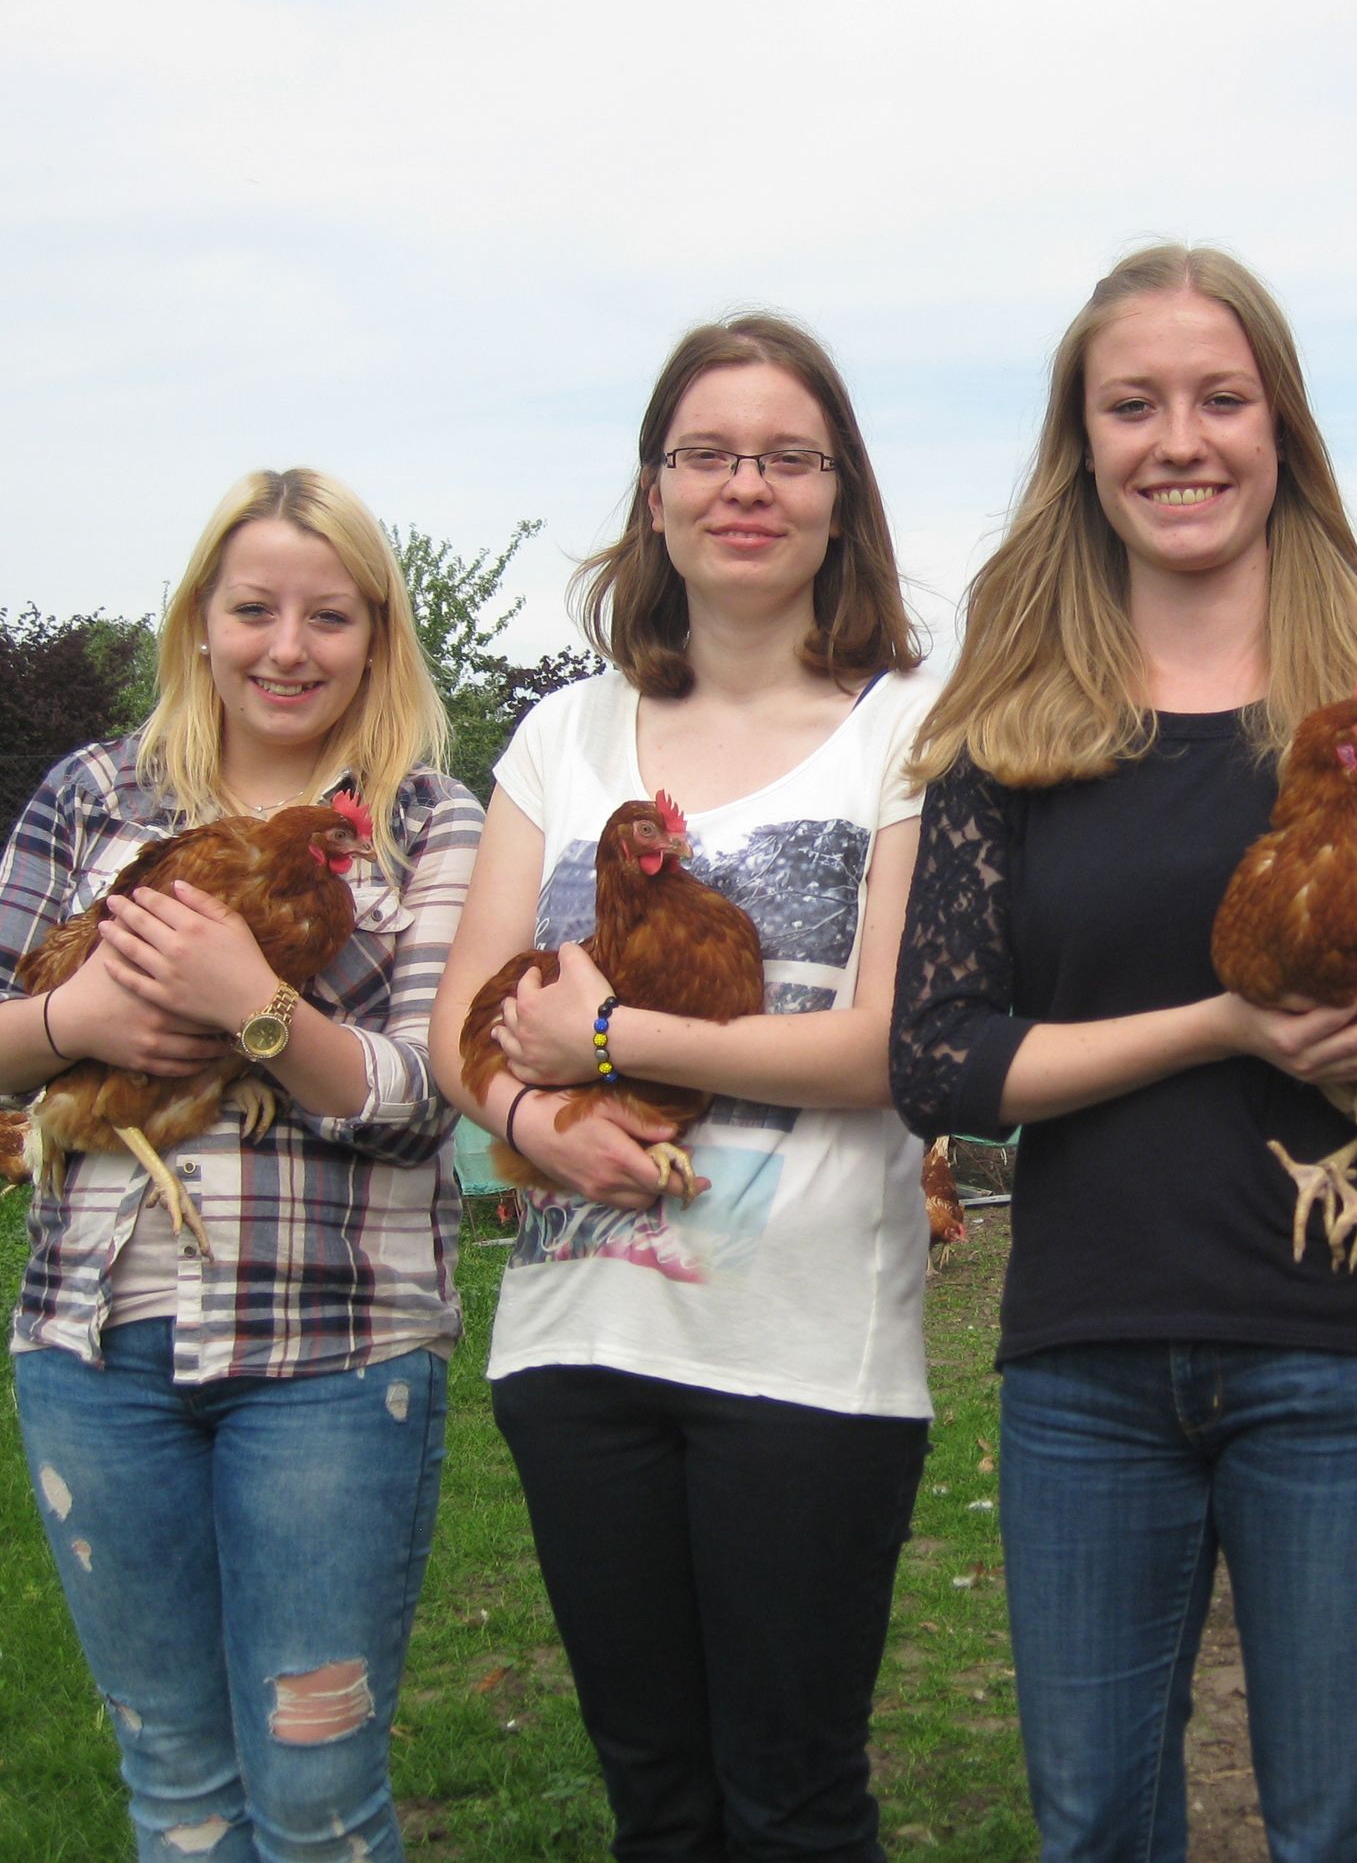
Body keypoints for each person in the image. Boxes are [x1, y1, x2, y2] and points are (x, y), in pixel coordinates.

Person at [890, 244, 1357, 1863]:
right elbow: (940, 1063)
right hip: (1090, 1349)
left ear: (1281, 427)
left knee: (1332, 1826)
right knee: (1097, 1824)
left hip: (1350, 1346)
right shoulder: (1012, 714)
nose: (1182, 439)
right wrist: (1227, 1023)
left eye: (1221, 399)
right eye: (1135, 405)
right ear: (1082, 445)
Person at [432, 312, 936, 1863]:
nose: (746, 486)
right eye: (707, 454)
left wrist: (606, 1054)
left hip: (811, 1360)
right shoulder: (562, 732)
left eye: (789, 457)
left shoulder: (913, 729)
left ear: (841, 495)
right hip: (582, 1341)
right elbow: (467, 1026)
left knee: (791, 1797)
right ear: (654, 494)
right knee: (656, 1796)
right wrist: (535, 1129)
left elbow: (887, 1044)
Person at [0, 469, 480, 1863]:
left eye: (329, 616)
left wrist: (257, 1005)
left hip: (337, 1356)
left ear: (376, 635)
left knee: (316, 1792)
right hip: (91, 1348)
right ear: (201, 625)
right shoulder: (94, 793)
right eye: (254, 610)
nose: (288, 647)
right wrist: (75, 1025)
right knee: (173, 1781)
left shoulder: (429, 820)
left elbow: (429, 1095)